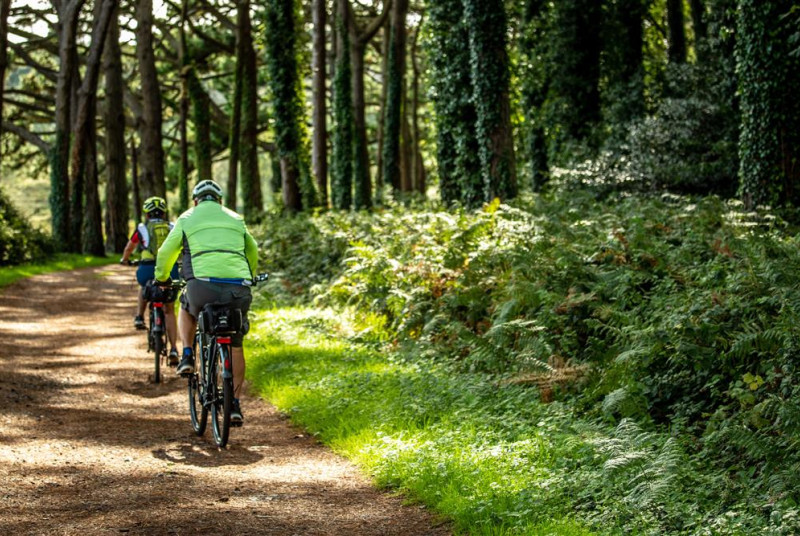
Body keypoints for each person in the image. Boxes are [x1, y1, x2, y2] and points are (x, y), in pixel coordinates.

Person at [154, 180, 259, 424]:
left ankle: (188, 355)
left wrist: (162, 278)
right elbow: (252, 250)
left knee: (187, 307)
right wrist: (249, 276)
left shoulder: (187, 217)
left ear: (195, 201)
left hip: (201, 286)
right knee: (235, 342)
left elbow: (166, 252)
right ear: (220, 200)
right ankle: (233, 404)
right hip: (238, 288)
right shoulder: (235, 218)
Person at [120, 196, 181, 365]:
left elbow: (129, 247)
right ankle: (174, 349)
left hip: (147, 268)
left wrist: (125, 259)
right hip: (170, 270)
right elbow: (182, 247)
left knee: (144, 285)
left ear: (146, 214)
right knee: (169, 310)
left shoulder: (142, 228)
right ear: (163, 213)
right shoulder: (172, 227)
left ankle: (139, 316)